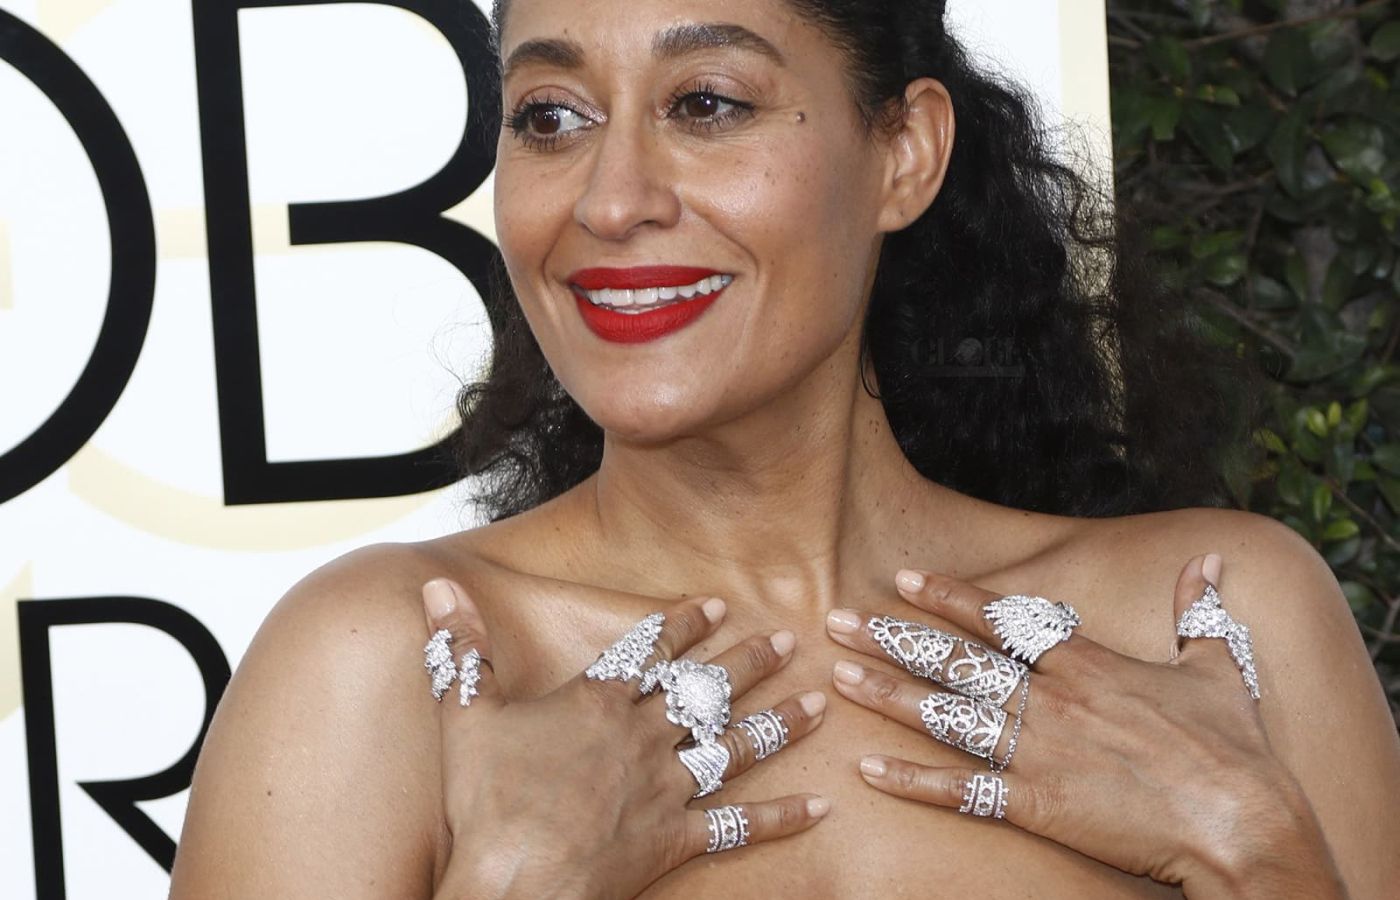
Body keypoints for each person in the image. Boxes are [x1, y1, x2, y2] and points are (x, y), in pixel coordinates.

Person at [168, 0, 1400, 897]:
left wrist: (1252, 847)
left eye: (704, 104)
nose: (609, 200)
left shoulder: (1211, 620)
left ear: (902, 153)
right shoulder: (394, 665)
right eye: (550, 116)